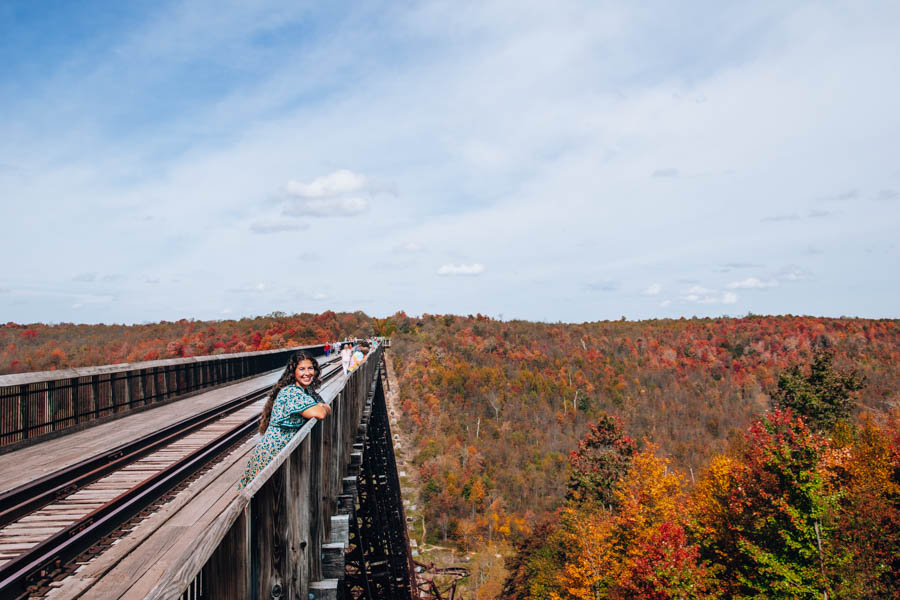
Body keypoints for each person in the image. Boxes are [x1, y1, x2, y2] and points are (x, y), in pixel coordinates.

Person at [237, 351, 331, 490]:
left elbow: (326, 407)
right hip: (272, 454)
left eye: (310, 368)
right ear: (293, 373)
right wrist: (320, 407)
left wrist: (321, 407)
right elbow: (320, 413)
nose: (307, 373)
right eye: (302, 369)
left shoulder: (307, 391)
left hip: (284, 455)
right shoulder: (291, 393)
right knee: (262, 498)